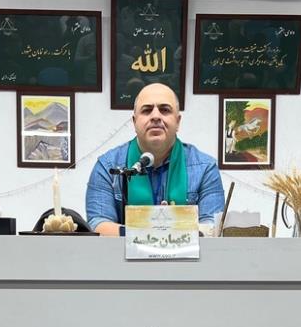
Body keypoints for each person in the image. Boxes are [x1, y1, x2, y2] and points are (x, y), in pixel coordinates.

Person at [85, 83, 225, 236]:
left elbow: (212, 229)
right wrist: (158, 231)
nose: (156, 116)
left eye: (165, 110)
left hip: (187, 254)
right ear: (134, 122)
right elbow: (98, 225)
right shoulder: (108, 167)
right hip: (121, 253)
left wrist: (149, 232)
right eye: (147, 110)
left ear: (178, 122)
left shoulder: (205, 168)